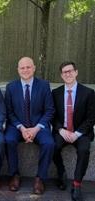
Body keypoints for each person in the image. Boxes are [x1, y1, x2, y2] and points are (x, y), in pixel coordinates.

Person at [4, 57, 54, 194]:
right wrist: (21, 127)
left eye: (28, 67)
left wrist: (37, 128)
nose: (25, 70)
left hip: (39, 126)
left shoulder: (44, 85)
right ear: (18, 70)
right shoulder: (11, 87)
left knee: (49, 143)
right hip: (17, 126)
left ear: (34, 68)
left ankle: (40, 178)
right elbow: (9, 112)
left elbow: (49, 110)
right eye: (22, 68)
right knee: (8, 140)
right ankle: (14, 175)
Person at [52, 61, 95, 201]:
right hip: (63, 130)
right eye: (65, 72)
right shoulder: (56, 92)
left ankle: (77, 184)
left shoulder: (88, 92)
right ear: (61, 75)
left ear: (76, 72)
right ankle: (61, 172)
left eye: (70, 71)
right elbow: (52, 115)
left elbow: (91, 117)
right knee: (52, 146)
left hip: (81, 132)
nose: (68, 74)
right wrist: (60, 129)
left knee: (84, 150)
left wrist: (77, 133)